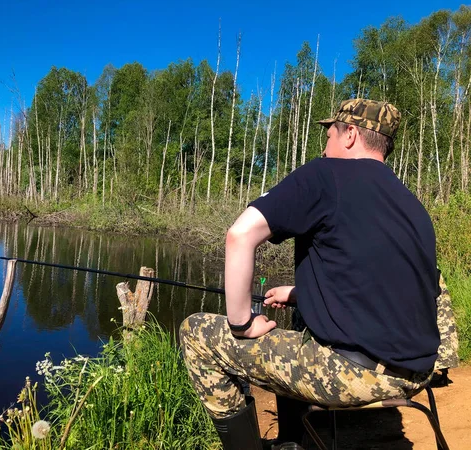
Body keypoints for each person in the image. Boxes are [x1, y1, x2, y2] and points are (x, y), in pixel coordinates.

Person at [179, 99, 441, 450]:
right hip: (416, 371)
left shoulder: (325, 173)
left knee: (197, 333)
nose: (325, 143)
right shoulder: (411, 204)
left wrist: (243, 324)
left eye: (330, 132)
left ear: (350, 134)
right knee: (301, 318)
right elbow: (382, 281)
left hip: (355, 374)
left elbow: (239, 236)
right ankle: (295, 441)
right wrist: (300, 292)